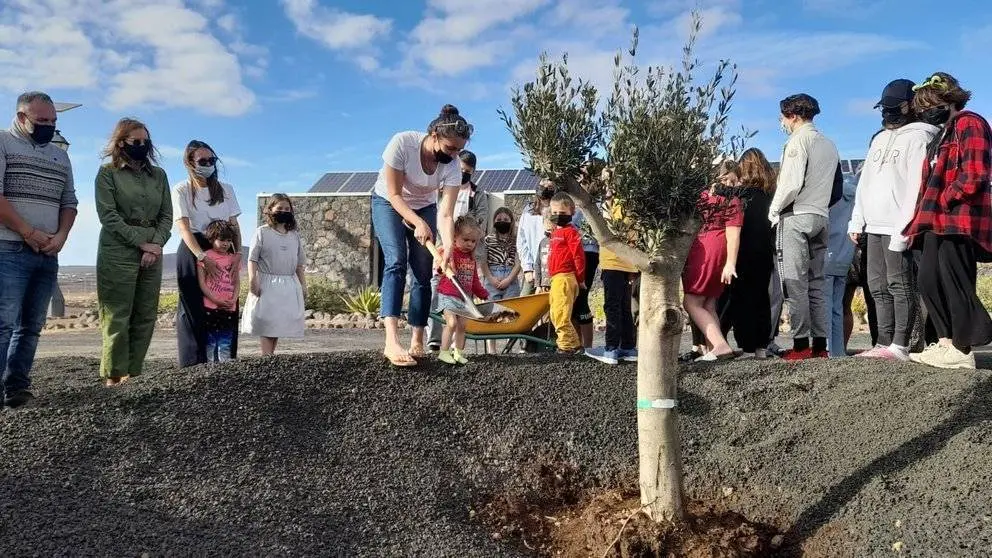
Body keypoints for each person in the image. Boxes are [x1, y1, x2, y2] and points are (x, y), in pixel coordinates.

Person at [903, 72, 992, 369]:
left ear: (949, 98)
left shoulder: (970, 122)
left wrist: (947, 197)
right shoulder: (941, 134)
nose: (928, 110)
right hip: (933, 218)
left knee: (955, 281)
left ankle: (962, 348)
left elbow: (975, 173)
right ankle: (944, 343)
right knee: (928, 280)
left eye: (932, 103)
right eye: (923, 106)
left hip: (958, 218)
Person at [372, 104, 472, 367]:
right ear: (434, 135)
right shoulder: (402, 143)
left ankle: (418, 337)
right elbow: (394, 194)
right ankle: (391, 341)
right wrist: (416, 222)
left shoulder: (451, 166)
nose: (454, 155)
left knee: (423, 271)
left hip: (425, 206)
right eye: (451, 148)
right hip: (387, 202)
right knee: (396, 261)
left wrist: (447, 246)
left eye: (459, 150)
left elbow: (447, 214)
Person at [848, 79, 939, 361]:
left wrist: (905, 226)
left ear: (909, 106)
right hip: (872, 223)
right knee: (876, 285)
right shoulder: (878, 138)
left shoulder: (921, 137)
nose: (887, 115)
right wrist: (856, 219)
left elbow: (915, 185)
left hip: (898, 223)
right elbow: (865, 182)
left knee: (900, 284)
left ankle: (901, 344)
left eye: (892, 108)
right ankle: (883, 342)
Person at [0, 91, 78, 408]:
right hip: (8, 250)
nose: (49, 126)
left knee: (30, 327)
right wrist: (27, 231)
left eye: (53, 121)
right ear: (21, 117)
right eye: (42, 121)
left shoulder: (60, 155)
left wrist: (60, 236)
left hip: (47, 253)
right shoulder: (4, 143)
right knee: (3, 325)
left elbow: (69, 201)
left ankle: (16, 388)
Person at [94, 118, 172, 386]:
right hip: (118, 249)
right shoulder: (107, 173)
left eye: (145, 142)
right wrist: (141, 242)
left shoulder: (159, 176)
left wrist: (157, 244)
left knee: (145, 313)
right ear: (121, 143)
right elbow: (108, 216)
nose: (141, 146)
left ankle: (134, 374)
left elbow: (167, 216)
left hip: (153, 248)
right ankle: (114, 375)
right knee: (117, 314)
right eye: (135, 142)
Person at [768, 93, 842, 361]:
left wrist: (774, 211)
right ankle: (820, 346)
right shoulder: (830, 144)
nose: (782, 122)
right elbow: (836, 186)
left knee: (793, 282)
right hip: (821, 216)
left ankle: (800, 346)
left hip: (795, 215)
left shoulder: (797, 141)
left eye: (783, 117)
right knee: (817, 283)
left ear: (793, 116)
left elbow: (790, 183)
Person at [173, 140, 243, 368]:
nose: (208, 164)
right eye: (203, 161)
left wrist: (238, 254)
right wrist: (202, 257)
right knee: (193, 305)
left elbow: (234, 225)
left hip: (224, 246)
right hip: (195, 247)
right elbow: (183, 226)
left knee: (225, 302)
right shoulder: (182, 189)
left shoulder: (226, 189)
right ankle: (193, 364)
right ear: (190, 162)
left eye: (212, 160)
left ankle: (225, 362)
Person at [682, 160, 743, 362]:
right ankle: (714, 348)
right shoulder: (725, 199)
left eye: (732, 181)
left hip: (707, 251)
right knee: (708, 303)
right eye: (727, 179)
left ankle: (719, 345)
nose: (730, 184)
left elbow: (734, 233)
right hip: (714, 251)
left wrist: (730, 263)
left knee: (691, 302)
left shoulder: (726, 200)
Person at [426, 149, 484, 352]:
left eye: (467, 171)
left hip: (462, 247)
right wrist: (443, 249)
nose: (463, 173)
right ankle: (435, 341)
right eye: (460, 169)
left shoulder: (475, 193)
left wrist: (467, 235)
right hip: (443, 249)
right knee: (436, 294)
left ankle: (456, 350)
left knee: (461, 321)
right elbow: (438, 216)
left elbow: (479, 220)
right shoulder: (441, 190)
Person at [720, 148, 776, 359]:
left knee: (741, 298)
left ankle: (746, 345)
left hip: (741, 251)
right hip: (764, 252)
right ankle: (761, 345)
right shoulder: (770, 196)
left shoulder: (738, 196)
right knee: (761, 297)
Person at [242, 193, 307, 355]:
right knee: (267, 321)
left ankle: (270, 356)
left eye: (287, 208)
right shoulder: (262, 232)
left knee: (277, 324)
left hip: (288, 284)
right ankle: (266, 356)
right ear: (270, 210)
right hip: (267, 283)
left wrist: (303, 285)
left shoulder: (294, 236)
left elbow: (299, 264)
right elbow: (252, 260)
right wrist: (252, 281)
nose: (284, 211)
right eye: (279, 208)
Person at [586, 194, 638, 365]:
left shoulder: (613, 208)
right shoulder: (631, 207)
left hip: (612, 263)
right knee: (624, 307)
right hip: (628, 264)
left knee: (612, 306)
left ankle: (611, 349)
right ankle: (628, 347)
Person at [436, 216, 489, 365]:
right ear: (454, 237)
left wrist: (482, 293)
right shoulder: (450, 254)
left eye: (473, 241)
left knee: (462, 325)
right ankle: (444, 352)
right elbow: (440, 267)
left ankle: (458, 353)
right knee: (451, 323)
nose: (469, 244)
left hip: (464, 298)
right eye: (465, 240)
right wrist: (441, 265)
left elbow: (474, 280)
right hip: (448, 294)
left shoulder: (471, 259)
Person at [547, 193, 586, 354]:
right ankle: (574, 344)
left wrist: (581, 278)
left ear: (572, 212)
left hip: (565, 277)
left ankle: (565, 346)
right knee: (555, 312)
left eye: (562, 213)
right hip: (556, 278)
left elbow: (578, 256)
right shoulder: (556, 232)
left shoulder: (571, 233)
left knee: (561, 313)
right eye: (555, 213)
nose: (558, 216)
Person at [824, 171, 858, 357]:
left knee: (825, 307)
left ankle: (827, 349)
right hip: (845, 256)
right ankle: (837, 351)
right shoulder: (855, 196)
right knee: (838, 307)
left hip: (827, 254)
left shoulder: (830, 195)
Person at [197, 220, 240, 363]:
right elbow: (202, 282)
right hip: (210, 305)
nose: (226, 243)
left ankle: (224, 367)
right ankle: (210, 367)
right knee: (210, 339)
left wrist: (234, 299)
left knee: (225, 339)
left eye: (229, 240)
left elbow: (237, 281)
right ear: (211, 238)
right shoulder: (205, 257)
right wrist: (214, 299)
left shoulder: (233, 259)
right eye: (222, 240)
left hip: (229, 305)